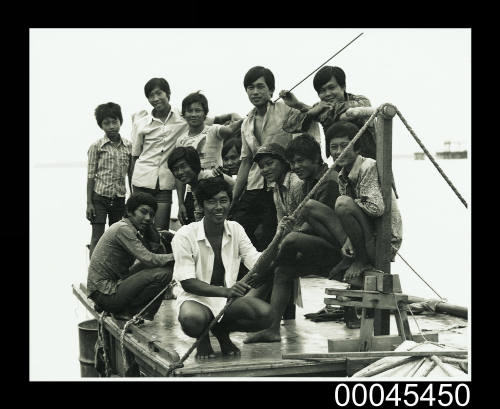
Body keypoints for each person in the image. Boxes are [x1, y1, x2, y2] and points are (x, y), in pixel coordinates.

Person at [243, 134, 352, 343]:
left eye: (301, 161)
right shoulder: (306, 183)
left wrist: (282, 248)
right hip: (321, 246)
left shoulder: (328, 181)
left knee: (291, 240)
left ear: (316, 159)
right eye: (293, 162)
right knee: (283, 271)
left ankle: (265, 276)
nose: (296, 166)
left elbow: (314, 224)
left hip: (342, 249)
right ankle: (272, 329)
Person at [171, 177, 273, 359]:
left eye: (223, 200)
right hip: (195, 300)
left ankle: (221, 332)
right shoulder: (184, 235)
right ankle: (202, 340)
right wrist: (226, 291)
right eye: (211, 202)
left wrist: (279, 238)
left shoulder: (236, 229)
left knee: (266, 315)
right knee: (191, 320)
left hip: (226, 300)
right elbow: (187, 283)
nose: (219, 207)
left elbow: (256, 262)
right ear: (201, 206)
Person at [130, 78, 239, 230]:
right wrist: (131, 190)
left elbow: (215, 121)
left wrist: (233, 114)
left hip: (169, 182)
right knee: (137, 227)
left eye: (159, 93)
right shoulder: (142, 123)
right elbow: (135, 156)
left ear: (168, 94)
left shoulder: (184, 118)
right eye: (150, 95)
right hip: (143, 179)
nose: (155, 98)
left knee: (161, 229)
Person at [231, 66, 320, 251]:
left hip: (281, 185)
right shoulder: (246, 122)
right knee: (236, 228)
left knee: (269, 234)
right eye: (250, 87)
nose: (255, 92)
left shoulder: (286, 110)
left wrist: (296, 104)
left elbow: (312, 118)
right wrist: (234, 198)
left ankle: (266, 275)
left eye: (260, 86)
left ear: (271, 90)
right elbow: (246, 161)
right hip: (254, 186)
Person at [327, 120, 402, 281]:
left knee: (342, 203)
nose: (339, 151)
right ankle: (350, 258)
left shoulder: (367, 166)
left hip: (383, 242)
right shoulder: (342, 175)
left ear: (357, 148)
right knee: (311, 208)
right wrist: (349, 239)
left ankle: (361, 260)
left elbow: (376, 209)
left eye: (345, 146)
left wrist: (351, 204)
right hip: (367, 234)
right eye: (334, 147)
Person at [87, 192, 174, 321]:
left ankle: (124, 309)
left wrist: (154, 233)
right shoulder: (122, 229)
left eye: (151, 214)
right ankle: (129, 311)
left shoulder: (132, 229)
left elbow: (156, 250)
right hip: (105, 294)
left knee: (160, 265)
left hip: (106, 290)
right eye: (143, 212)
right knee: (165, 274)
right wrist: (178, 255)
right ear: (129, 212)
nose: (148, 218)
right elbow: (149, 259)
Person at [280, 65, 376, 161]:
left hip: (369, 160)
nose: (328, 94)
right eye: (322, 91)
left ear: (343, 87)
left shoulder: (361, 100)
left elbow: (341, 111)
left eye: (331, 87)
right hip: (340, 163)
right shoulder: (320, 107)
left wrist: (311, 110)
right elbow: (288, 126)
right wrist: (299, 105)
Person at [175, 91, 243, 224]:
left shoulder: (214, 130)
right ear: (184, 114)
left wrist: (240, 117)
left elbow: (231, 129)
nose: (194, 114)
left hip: (215, 189)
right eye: (189, 111)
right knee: (194, 231)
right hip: (192, 192)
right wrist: (180, 203)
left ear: (205, 113)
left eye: (198, 110)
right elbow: (179, 175)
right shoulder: (181, 141)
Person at [86, 102, 132, 259]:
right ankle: (93, 273)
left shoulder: (128, 146)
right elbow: (91, 176)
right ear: (101, 125)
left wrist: (132, 198)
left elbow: (131, 174)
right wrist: (89, 203)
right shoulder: (97, 147)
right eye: (106, 123)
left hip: (119, 198)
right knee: (97, 238)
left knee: (116, 237)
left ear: (120, 121)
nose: (111, 126)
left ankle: (113, 272)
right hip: (99, 198)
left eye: (114, 122)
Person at [168, 146, 235, 224]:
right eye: (175, 169)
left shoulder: (209, 180)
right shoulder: (193, 184)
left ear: (193, 164)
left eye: (183, 166)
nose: (180, 172)